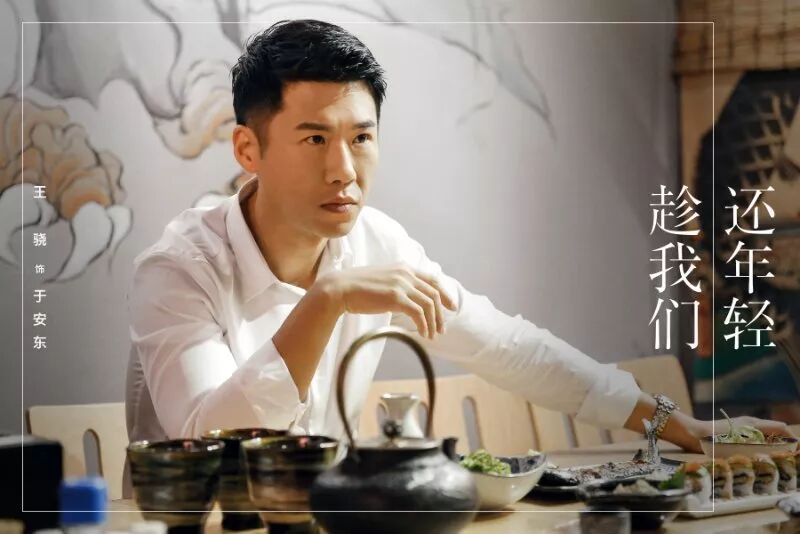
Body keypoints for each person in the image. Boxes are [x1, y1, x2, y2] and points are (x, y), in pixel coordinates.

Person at [125, 19, 793, 455]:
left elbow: (505, 346)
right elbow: (208, 437)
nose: (344, 170)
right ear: (248, 148)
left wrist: (675, 424)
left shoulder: (375, 241)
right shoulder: (180, 268)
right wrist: (326, 300)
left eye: (362, 138)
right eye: (314, 139)